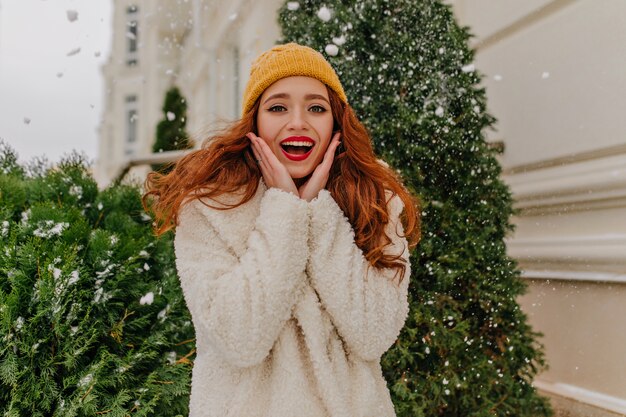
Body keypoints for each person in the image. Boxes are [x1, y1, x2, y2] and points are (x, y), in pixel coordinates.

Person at [144, 43, 420, 417]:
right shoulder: (210, 207)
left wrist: (318, 217)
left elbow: (373, 334)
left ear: (336, 122)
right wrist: (286, 213)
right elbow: (239, 338)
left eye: (316, 108)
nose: (297, 122)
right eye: (277, 107)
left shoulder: (374, 203)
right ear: (254, 121)